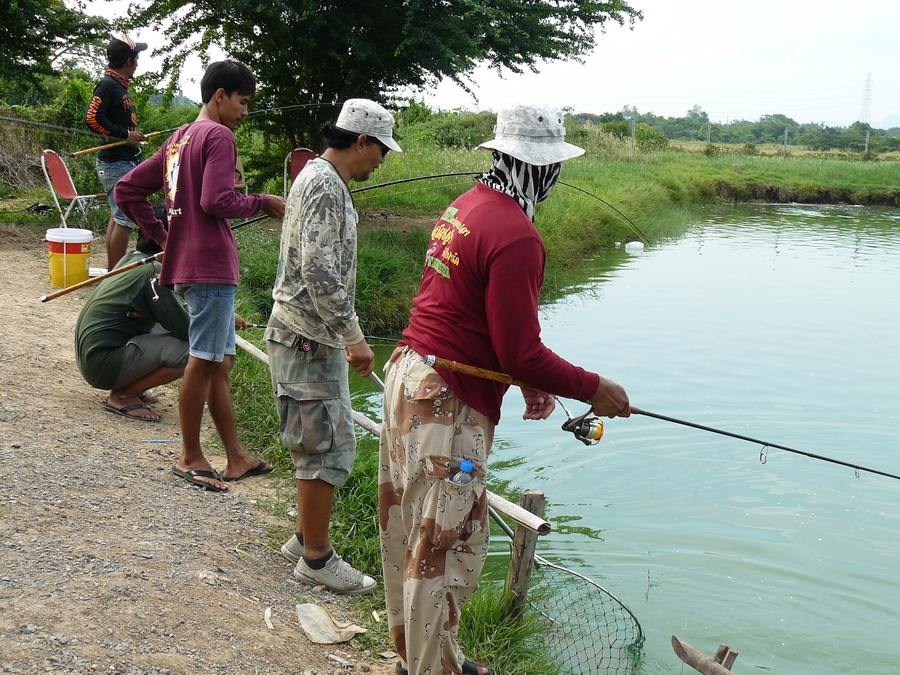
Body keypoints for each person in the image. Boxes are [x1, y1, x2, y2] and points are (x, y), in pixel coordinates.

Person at [378, 105, 633, 675]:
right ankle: (424, 669)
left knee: (417, 529)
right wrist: (596, 389)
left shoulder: (466, 207)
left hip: (411, 373)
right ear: (542, 168)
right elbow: (521, 350)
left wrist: (526, 381)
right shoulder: (517, 235)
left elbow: (477, 321)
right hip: (446, 402)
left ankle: (428, 657)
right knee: (444, 545)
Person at [115, 60, 286, 492]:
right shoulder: (218, 135)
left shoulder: (178, 139)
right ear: (220, 96)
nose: (245, 112)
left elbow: (128, 190)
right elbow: (217, 200)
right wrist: (263, 201)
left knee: (219, 364)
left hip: (189, 263)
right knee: (204, 359)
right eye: (243, 102)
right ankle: (190, 456)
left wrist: (165, 235)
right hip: (209, 264)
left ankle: (236, 457)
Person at [266, 99, 401, 594]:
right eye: (381, 150)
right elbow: (320, 272)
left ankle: (305, 539)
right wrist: (355, 338)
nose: (381, 161)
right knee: (325, 448)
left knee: (321, 439)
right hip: (309, 338)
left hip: (304, 335)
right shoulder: (325, 185)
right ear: (361, 140)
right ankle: (317, 560)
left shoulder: (318, 178)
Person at [75, 209, 187, 422]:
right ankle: (124, 395)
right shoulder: (153, 271)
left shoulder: (133, 259)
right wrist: (223, 320)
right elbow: (184, 326)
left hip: (93, 357)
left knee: (168, 328)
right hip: (102, 365)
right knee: (192, 348)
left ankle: (132, 386)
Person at [84, 34, 148, 269]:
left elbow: (118, 122)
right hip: (115, 163)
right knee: (125, 218)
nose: (138, 64)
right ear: (129, 61)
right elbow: (91, 118)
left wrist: (132, 134)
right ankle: (114, 276)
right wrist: (124, 135)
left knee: (118, 215)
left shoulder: (118, 85)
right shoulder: (108, 85)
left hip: (124, 160)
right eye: (136, 59)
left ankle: (112, 273)